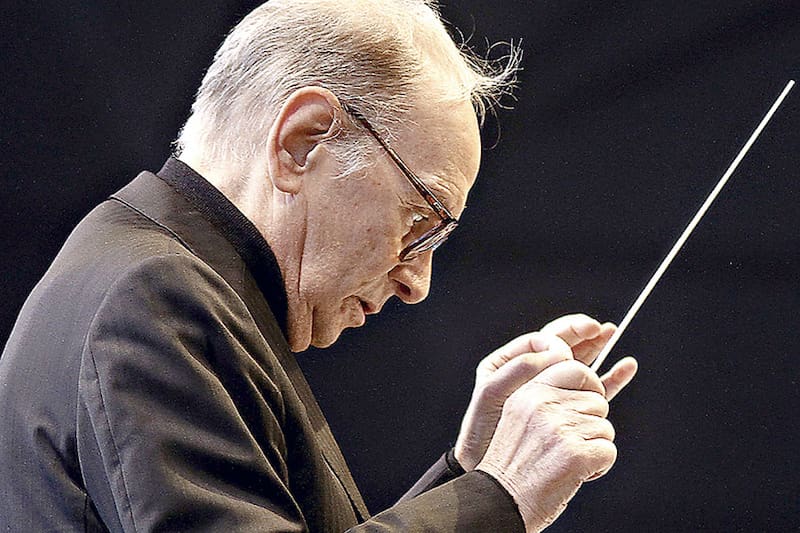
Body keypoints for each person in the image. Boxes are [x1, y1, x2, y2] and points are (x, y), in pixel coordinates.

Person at [0, 0, 638, 531]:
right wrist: (501, 495)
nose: (417, 282)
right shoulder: (156, 299)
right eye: (419, 220)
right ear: (302, 141)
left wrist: (470, 474)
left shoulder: (144, 271)